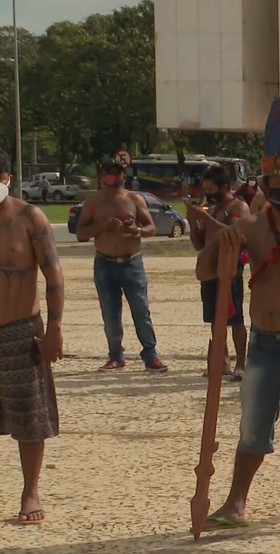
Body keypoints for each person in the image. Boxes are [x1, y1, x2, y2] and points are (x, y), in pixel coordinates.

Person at [196, 96, 280, 537]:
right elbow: (204, 271)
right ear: (265, 180)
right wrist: (223, 247)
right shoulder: (252, 227)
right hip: (262, 342)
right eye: (278, 179)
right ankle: (236, 502)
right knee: (252, 428)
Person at [0, 148, 63, 525]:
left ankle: (30, 490)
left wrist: (54, 327)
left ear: (6, 177)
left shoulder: (29, 218)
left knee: (29, 415)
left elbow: (54, 275)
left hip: (20, 328)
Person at [76, 161, 167, 372]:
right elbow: (81, 233)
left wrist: (137, 230)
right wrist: (103, 226)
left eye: (117, 173)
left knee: (141, 311)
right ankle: (116, 355)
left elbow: (151, 227)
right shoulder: (93, 202)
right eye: (109, 173)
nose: (114, 177)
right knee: (110, 313)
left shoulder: (134, 199)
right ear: (101, 177)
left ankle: (150, 355)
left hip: (132, 263)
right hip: (105, 264)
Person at [188, 166, 251, 381]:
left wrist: (205, 219)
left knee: (235, 318)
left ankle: (242, 363)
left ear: (224, 187)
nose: (208, 193)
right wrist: (192, 221)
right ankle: (221, 361)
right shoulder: (212, 209)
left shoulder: (239, 207)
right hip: (210, 271)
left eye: (212, 189)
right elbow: (199, 244)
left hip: (230, 269)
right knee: (216, 318)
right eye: (205, 189)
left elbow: (233, 234)